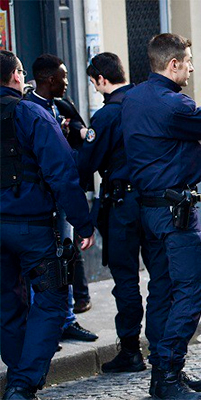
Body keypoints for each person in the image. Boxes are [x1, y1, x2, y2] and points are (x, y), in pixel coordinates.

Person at [122, 33, 201, 400]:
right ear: (173, 65)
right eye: (187, 61)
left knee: (163, 290)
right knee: (192, 287)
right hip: (175, 213)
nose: (191, 67)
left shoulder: (134, 97)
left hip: (150, 209)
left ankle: (165, 370)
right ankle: (167, 374)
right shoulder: (172, 105)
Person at [0, 50, 95, 400]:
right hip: (33, 228)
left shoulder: (32, 112)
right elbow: (62, 173)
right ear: (16, 75)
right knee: (52, 300)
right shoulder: (31, 113)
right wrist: (83, 223)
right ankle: (22, 384)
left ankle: (18, 378)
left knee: (6, 304)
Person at [76, 52, 148, 374]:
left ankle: (131, 351)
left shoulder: (106, 115)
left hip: (122, 205)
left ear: (102, 79)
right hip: (153, 200)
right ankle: (164, 351)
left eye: (94, 83)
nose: (95, 88)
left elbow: (86, 163)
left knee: (126, 278)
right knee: (161, 279)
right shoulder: (144, 102)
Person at [26, 54, 98, 342]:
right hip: (39, 202)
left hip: (63, 198)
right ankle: (45, 329)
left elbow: (79, 138)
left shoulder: (61, 106)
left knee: (66, 258)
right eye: (64, 76)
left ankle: (67, 320)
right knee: (42, 268)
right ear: (50, 79)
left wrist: (75, 131)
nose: (67, 82)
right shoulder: (27, 109)